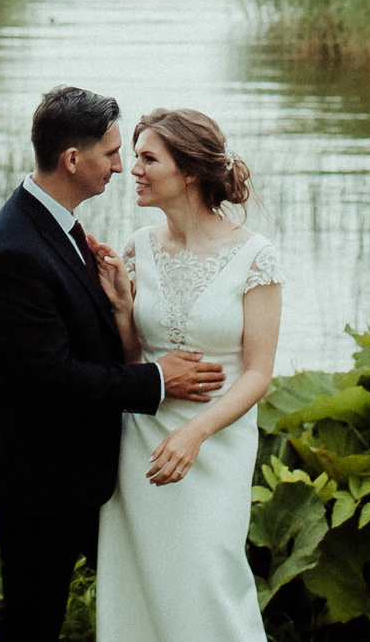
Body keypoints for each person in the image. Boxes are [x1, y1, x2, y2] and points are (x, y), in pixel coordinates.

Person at [0, 86, 226, 642]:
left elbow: (75, 346)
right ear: (72, 159)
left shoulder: (57, 228)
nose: (120, 166)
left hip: (74, 469)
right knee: (31, 621)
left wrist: (120, 308)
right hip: (38, 474)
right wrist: (158, 379)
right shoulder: (17, 250)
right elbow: (52, 379)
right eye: (111, 153)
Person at [93, 107, 282, 642]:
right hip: (143, 445)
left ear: (190, 172)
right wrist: (126, 312)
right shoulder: (137, 246)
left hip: (214, 444)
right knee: (139, 585)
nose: (134, 169)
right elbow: (134, 365)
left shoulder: (255, 257)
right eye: (134, 158)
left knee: (210, 584)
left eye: (149, 159)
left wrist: (196, 433)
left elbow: (258, 373)